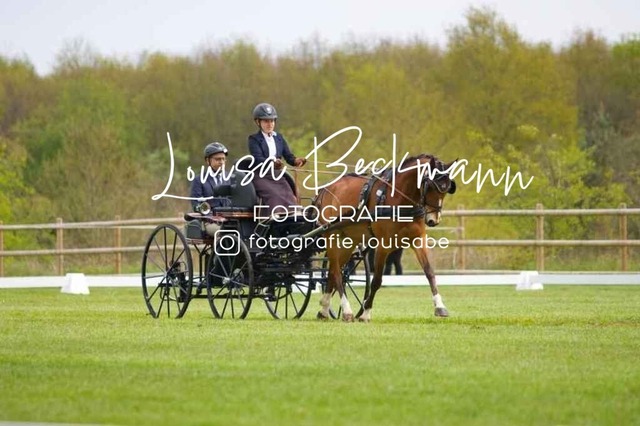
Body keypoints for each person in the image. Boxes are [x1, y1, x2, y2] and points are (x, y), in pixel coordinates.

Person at [247, 102, 306, 215]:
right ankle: (276, 217)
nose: (270, 124)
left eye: (272, 121)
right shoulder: (254, 139)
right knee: (274, 195)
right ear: (258, 122)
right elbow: (258, 158)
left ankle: (294, 216)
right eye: (266, 121)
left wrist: (296, 161)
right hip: (261, 176)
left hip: (277, 175)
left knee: (289, 194)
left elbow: (288, 156)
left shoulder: (279, 138)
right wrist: (272, 162)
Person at [190, 141, 231, 211]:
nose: (222, 162)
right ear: (207, 160)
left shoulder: (231, 178)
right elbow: (196, 204)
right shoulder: (199, 180)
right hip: (209, 217)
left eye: (223, 159)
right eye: (218, 159)